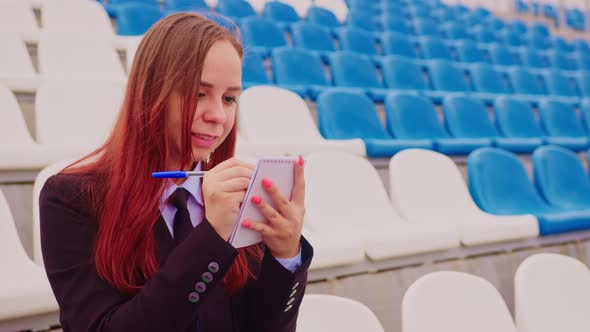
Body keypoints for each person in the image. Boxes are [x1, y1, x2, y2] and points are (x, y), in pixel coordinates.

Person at [39, 13, 313, 332]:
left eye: (229, 98)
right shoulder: (71, 199)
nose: (218, 116)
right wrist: (212, 238)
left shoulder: (240, 195)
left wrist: (285, 256)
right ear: (152, 92)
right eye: (198, 93)